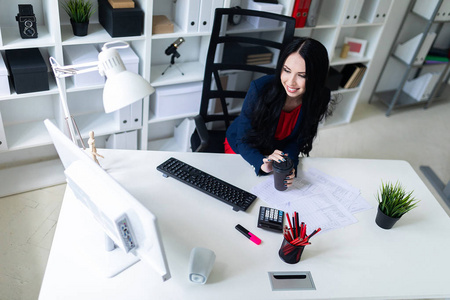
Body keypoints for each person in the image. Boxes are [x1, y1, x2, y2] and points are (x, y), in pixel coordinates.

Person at [225, 37, 334, 189]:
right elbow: (243, 140)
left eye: (302, 75)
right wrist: (262, 163)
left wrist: (289, 165)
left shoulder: (320, 97)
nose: (291, 82)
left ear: (316, 76)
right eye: (287, 70)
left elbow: (297, 141)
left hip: (277, 153)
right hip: (245, 148)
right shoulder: (259, 88)